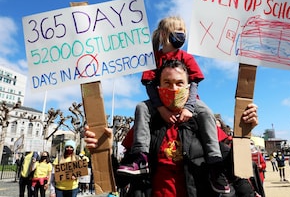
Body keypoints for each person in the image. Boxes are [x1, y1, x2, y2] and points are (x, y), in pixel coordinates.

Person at [85, 59, 259, 197]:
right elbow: (119, 181)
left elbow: (232, 168)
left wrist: (244, 131)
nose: (173, 89)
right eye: (167, 83)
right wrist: (104, 150)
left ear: (189, 88)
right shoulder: (144, 128)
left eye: (179, 83)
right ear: (158, 88)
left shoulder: (203, 124)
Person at [117, 16, 233, 193]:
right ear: (164, 34)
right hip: (158, 105)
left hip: (189, 103)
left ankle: (214, 162)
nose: (181, 35)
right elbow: (149, 85)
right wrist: (161, 109)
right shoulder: (153, 59)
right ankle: (141, 157)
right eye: (176, 31)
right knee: (141, 107)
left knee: (206, 112)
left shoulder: (186, 57)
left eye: (183, 32)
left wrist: (189, 107)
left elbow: (194, 83)